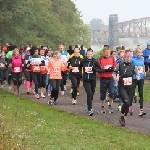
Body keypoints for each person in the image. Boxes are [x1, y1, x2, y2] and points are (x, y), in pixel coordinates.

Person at [115, 52, 140, 126]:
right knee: (126, 102)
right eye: (127, 57)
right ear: (125, 58)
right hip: (122, 86)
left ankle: (123, 118)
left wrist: (138, 76)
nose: (128, 59)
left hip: (130, 87)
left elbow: (137, 74)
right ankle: (122, 117)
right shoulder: (120, 65)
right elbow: (114, 72)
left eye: (130, 57)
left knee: (128, 103)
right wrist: (116, 77)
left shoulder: (133, 66)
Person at [79, 50, 101, 116]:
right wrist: (81, 75)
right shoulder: (83, 61)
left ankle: (88, 105)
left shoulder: (95, 61)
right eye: (88, 54)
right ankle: (90, 109)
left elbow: (99, 69)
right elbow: (80, 67)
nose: (89, 55)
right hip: (86, 80)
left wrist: (95, 69)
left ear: (92, 55)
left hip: (93, 80)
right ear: (86, 55)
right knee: (89, 93)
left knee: (92, 94)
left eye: (90, 54)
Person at [97, 47, 117, 113]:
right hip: (103, 78)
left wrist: (112, 68)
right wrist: (103, 70)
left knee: (111, 93)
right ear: (103, 52)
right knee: (103, 93)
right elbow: (98, 69)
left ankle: (110, 106)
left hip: (110, 78)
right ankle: (102, 106)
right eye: (106, 53)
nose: (107, 54)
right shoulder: (100, 59)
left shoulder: (112, 58)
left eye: (108, 53)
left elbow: (115, 66)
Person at [132, 48, 146, 116]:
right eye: (138, 52)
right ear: (135, 53)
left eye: (140, 53)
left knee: (141, 93)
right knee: (131, 93)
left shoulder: (142, 58)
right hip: (134, 77)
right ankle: (130, 107)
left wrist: (144, 71)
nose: (139, 54)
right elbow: (131, 67)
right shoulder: (132, 59)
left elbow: (143, 65)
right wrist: (135, 68)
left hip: (141, 77)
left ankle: (141, 110)